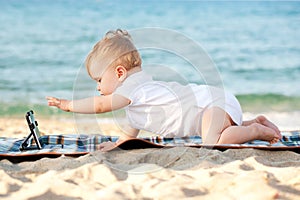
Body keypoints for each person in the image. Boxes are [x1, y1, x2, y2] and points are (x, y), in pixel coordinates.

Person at [46, 29, 282, 151]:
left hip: (212, 104)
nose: (97, 87)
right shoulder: (136, 98)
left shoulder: (132, 88)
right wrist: (117, 145)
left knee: (213, 143)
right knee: (217, 131)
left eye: (99, 80)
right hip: (218, 106)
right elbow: (130, 134)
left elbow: (99, 106)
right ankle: (251, 122)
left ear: (119, 73)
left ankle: (257, 131)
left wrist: (68, 105)